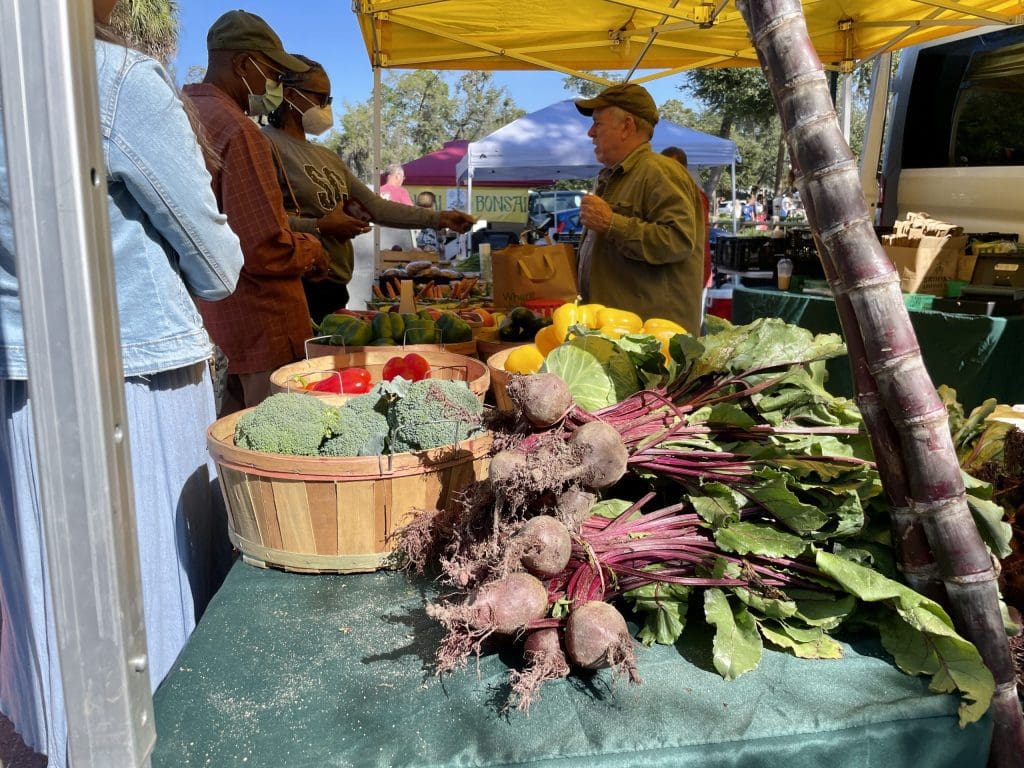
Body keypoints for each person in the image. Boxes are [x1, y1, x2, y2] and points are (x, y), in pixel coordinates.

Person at [0, 2, 245, 766]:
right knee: (157, 624)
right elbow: (218, 265)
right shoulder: (112, 78)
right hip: (133, 383)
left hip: (16, 385)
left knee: (50, 618)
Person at [183, 10, 361, 413]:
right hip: (264, 323)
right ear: (244, 64)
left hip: (220, 318)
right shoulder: (241, 131)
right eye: (273, 73)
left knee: (230, 434)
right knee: (276, 439)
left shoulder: (186, 113)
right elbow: (264, 247)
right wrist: (313, 249)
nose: (274, 85)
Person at [261, 59, 475, 322]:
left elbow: (375, 206)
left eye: (329, 99)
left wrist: (439, 218)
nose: (326, 106)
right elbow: (260, 223)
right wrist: (321, 226)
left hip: (334, 283)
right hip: (295, 284)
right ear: (291, 96)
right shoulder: (265, 144)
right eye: (321, 98)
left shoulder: (327, 156)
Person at [574, 83, 705, 333]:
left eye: (598, 123)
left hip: (652, 341)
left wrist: (612, 223)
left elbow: (678, 241)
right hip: (623, 333)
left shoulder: (660, 172)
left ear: (627, 126)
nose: (591, 133)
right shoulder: (617, 176)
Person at [661, 145, 714, 303]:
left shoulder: (695, 196)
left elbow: (702, 235)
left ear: (683, 169)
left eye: (671, 168)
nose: (666, 173)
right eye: (663, 168)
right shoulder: (663, 193)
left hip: (690, 274)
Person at [414, 190, 443, 259]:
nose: (423, 208)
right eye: (419, 205)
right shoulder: (413, 218)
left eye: (426, 205)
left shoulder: (438, 218)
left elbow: (442, 238)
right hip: (417, 255)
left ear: (433, 205)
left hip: (433, 255)